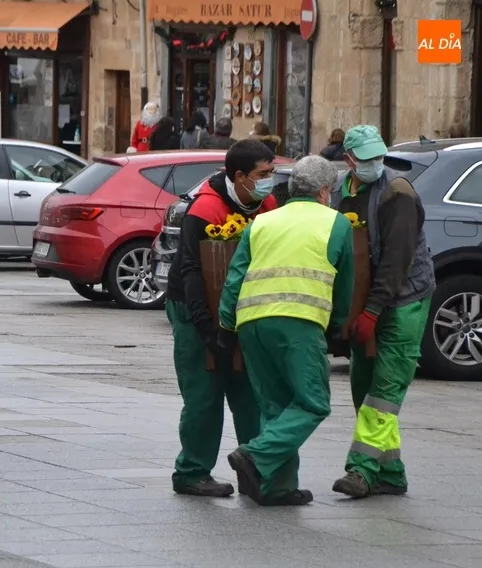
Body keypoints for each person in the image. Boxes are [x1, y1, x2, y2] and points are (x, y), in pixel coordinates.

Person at [221, 156, 355, 506]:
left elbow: (235, 277)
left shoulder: (262, 222)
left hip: (251, 322)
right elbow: (344, 284)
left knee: (275, 406)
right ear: (324, 192)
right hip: (299, 320)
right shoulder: (336, 224)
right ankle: (255, 455)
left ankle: (276, 487)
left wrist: (226, 324)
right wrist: (338, 326)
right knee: (313, 403)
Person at [165, 139, 278, 497]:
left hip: (244, 312)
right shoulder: (205, 210)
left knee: (251, 395)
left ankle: (255, 468)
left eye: (272, 173)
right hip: (194, 311)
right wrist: (208, 331)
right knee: (204, 395)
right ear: (240, 176)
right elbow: (190, 272)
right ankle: (191, 472)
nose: (270, 181)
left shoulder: (267, 205)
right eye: (264, 174)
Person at [330, 124, 436, 498]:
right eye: (367, 158)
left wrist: (373, 312)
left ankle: (361, 471)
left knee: (385, 388)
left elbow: (397, 261)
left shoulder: (397, 193)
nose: (376, 163)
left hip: (404, 298)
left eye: (379, 156)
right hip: (363, 301)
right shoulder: (339, 194)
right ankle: (390, 473)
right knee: (364, 386)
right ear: (349, 160)